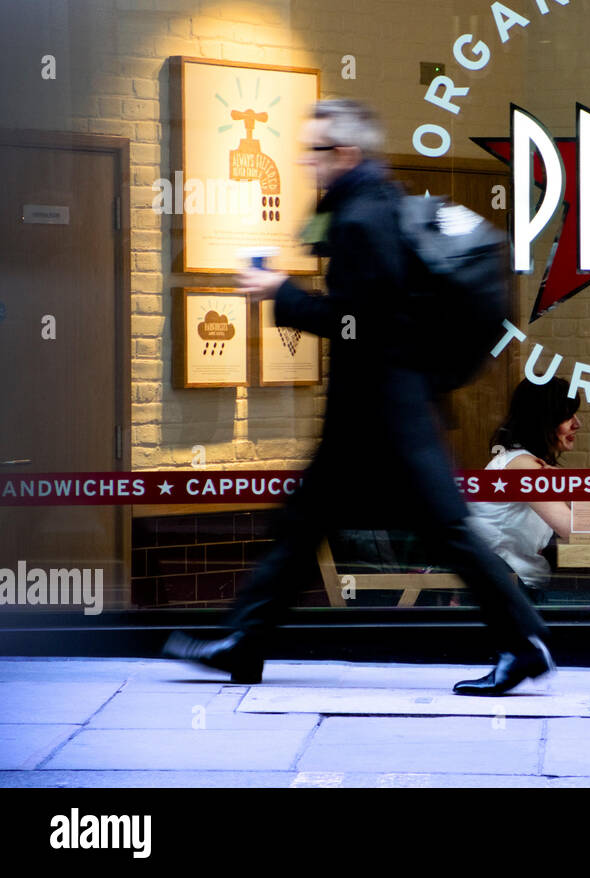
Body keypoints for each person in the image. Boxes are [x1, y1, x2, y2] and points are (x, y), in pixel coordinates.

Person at [164, 99, 553, 697]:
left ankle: (522, 642)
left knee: (444, 531)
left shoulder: (359, 219)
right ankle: (244, 641)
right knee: (306, 525)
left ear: (344, 153)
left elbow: (359, 324)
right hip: (382, 407)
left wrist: (281, 293)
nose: (305, 162)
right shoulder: (376, 203)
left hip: (386, 413)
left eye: (315, 151)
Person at [467, 377, 590, 603]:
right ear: (543, 421)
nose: (577, 424)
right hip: (508, 592)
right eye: (568, 416)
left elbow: (578, 509)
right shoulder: (522, 466)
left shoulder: (526, 463)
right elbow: (572, 528)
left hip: (514, 587)